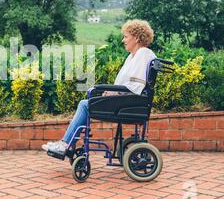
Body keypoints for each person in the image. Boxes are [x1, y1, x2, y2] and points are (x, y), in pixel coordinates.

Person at [42, 19, 156, 155]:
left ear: (136, 37)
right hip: (128, 101)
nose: (123, 40)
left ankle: (65, 144)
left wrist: (116, 93)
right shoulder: (134, 56)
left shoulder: (143, 54)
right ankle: (66, 143)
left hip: (130, 103)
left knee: (85, 104)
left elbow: (136, 85)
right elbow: (130, 84)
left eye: (126, 37)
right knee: (87, 103)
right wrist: (114, 92)